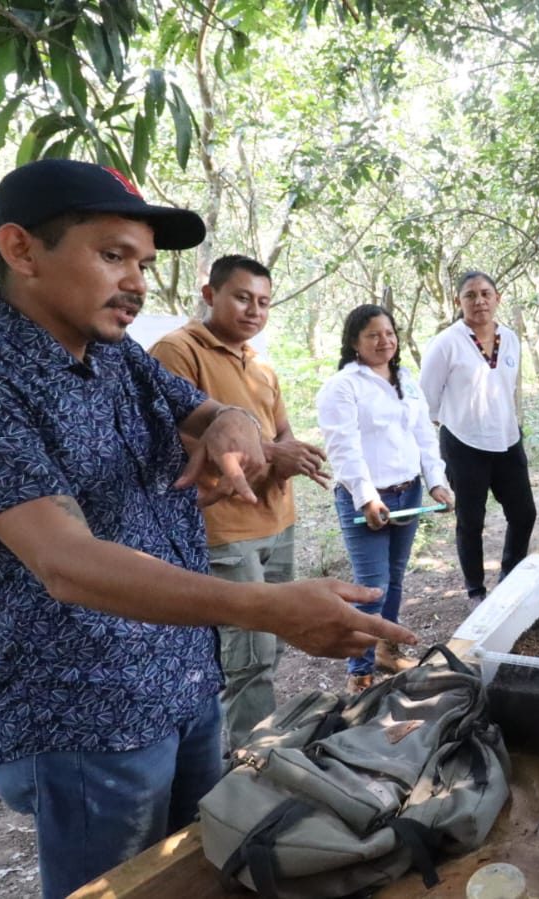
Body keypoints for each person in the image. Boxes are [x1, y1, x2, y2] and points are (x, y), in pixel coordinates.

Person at [0, 159, 413, 899]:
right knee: (121, 889)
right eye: (112, 255)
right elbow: (66, 563)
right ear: (20, 249)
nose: (136, 281)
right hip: (89, 715)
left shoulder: (118, 358)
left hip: (185, 684)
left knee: (200, 871)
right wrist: (268, 607)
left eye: (141, 261)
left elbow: (210, 411)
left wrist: (231, 424)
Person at [149, 254, 330, 749]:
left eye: (264, 302)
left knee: (268, 645)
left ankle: (260, 743)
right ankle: (256, 762)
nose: (254, 311)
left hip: (278, 520)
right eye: (243, 297)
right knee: (246, 655)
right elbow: (187, 445)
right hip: (227, 530)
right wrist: (273, 451)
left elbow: (280, 429)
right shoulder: (176, 352)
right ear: (210, 294)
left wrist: (291, 453)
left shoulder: (260, 363)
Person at [318, 305, 455, 691]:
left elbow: (424, 437)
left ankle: (386, 649)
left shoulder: (406, 380)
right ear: (353, 342)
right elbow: (343, 448)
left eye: (389, 333)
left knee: (394, 580)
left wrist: (437, 483)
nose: (385, 342)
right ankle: (358, 671)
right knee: (370, 586)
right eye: (373, 335)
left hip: (408, 492)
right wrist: (365, 498)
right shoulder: (343, 386)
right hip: (367, 500)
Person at [420, 270, 536, 601]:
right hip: (463, 444)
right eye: (470, 295)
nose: (479, 301)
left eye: (486, 293)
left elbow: (506, 388)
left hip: (507, 439)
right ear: (459, 302)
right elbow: (426, 400)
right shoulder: (446, 343)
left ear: (498, 298)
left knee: (524, 513)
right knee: (471, 521)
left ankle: (510, 578)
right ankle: (476, 592)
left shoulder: (510, 338)